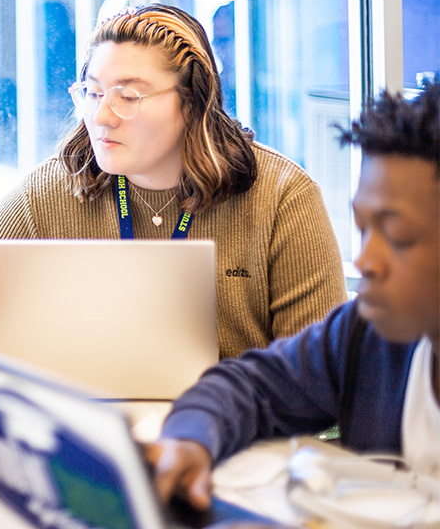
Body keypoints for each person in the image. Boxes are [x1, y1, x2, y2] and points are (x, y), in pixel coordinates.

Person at [0, 3, 347, 358]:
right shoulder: (53, 188)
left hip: (241, 440)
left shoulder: (282, 195)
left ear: (193, 102)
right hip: (94, 431)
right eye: (92, 93)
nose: (102, 117)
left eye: (128, 96)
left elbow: (319, 373)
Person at [148, 81, 440, 511]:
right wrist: (189, 439)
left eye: (396, 235)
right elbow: (250, 385)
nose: (365, 261)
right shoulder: (364, 333)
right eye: (362, 230)